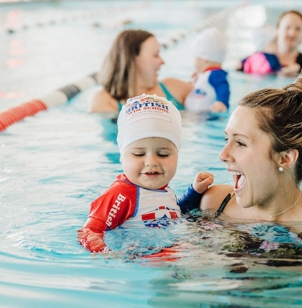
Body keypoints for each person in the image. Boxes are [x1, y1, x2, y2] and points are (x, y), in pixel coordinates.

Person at [199, 74, 302, 251]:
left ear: (285, 158)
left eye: (240, 143)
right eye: (226, 139)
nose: (223, 155)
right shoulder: (215, 203)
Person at [78, 94, 214, 253]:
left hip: (167, 252)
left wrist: (195, 191)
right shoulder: (121, 194)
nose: (151, 162)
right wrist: (105, 253)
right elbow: (89, 231)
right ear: (121, 157)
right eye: (139, 154)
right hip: (142, 259)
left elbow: (173, 213)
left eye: (163, 154)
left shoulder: (163, 190)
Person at [89, 29, 192, 114]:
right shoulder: (105, 101)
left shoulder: (174, 88)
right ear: (132, 60)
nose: (162, 61)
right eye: (155, 55)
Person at [239, 10, 302, 77]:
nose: (292, 33)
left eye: (298, 29)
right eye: (287, 27)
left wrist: (298, 73)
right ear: (278, 30)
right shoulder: (259, 60)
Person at [184, 27, 230, 113]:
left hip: (205, 116)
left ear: (204, 58)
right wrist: (195, 82)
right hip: (199, 115)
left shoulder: (216, 74)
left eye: (195, 58)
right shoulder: (207, 75)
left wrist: (222, 102)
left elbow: (223, 87)